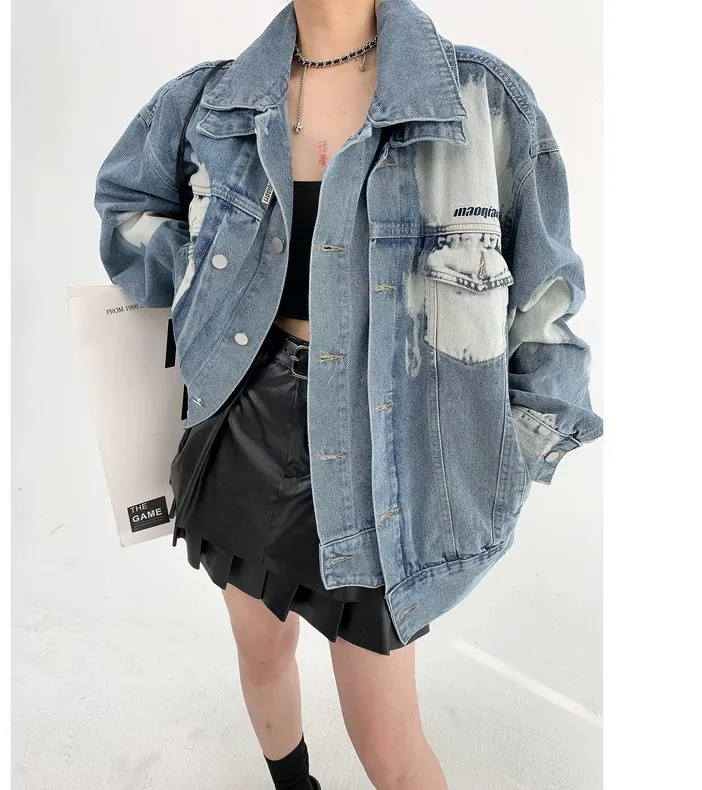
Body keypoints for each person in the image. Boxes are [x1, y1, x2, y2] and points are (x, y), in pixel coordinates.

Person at [93, 1, 604, 787]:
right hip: (243, 423)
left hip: (386, 450)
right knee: (261, 648)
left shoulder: (482, 100)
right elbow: (127, 207)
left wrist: (507, 462)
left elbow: (546, 305)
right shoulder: (209, 103)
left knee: (388, 742)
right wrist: (207, 282)